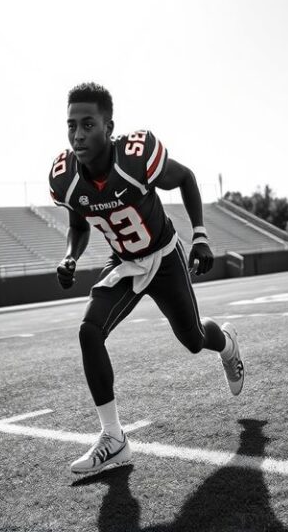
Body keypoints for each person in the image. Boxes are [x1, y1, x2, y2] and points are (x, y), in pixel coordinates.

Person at [49, 82, 245, 475]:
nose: (78, 135)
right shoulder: (66, 176)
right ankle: (114, 438)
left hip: (165, 256)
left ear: (109, 126)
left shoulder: (135, 157)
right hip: (124, 262)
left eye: (88, 124)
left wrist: (201, 236)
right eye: (71, 125)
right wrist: (70, 255)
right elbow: (79, 223)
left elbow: (186, 177)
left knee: (192, 340)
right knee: (89, 331)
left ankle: (226, 344)